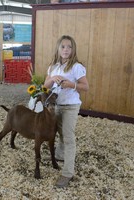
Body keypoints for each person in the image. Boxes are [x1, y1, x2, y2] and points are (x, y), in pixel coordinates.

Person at [44, 35, 89, 188]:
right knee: (59, 132)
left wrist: (70, 84)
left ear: (73, 49)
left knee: (69, 137)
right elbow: (46, 85)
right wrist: (52, 78)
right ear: (58, 48)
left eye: (69, 47)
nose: (66, 49)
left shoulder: (76, 66)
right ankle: (60, 155)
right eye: (63, 46)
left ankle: (67, 173)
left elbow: (85, 86)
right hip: (56, 105)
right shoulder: (53, 66)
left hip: (70, 106)